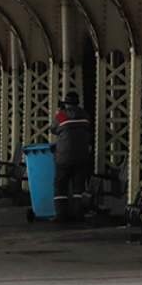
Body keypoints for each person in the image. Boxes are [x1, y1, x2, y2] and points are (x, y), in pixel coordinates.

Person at [50, 91, 92, 222]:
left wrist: (58, 112)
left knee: (60, 186)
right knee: (78, 187)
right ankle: (78, 213)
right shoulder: (85, 115)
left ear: (66, 104)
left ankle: (61, 215)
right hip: (82, 157)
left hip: (64, 158)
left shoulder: (62, 116)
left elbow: (53, 129)